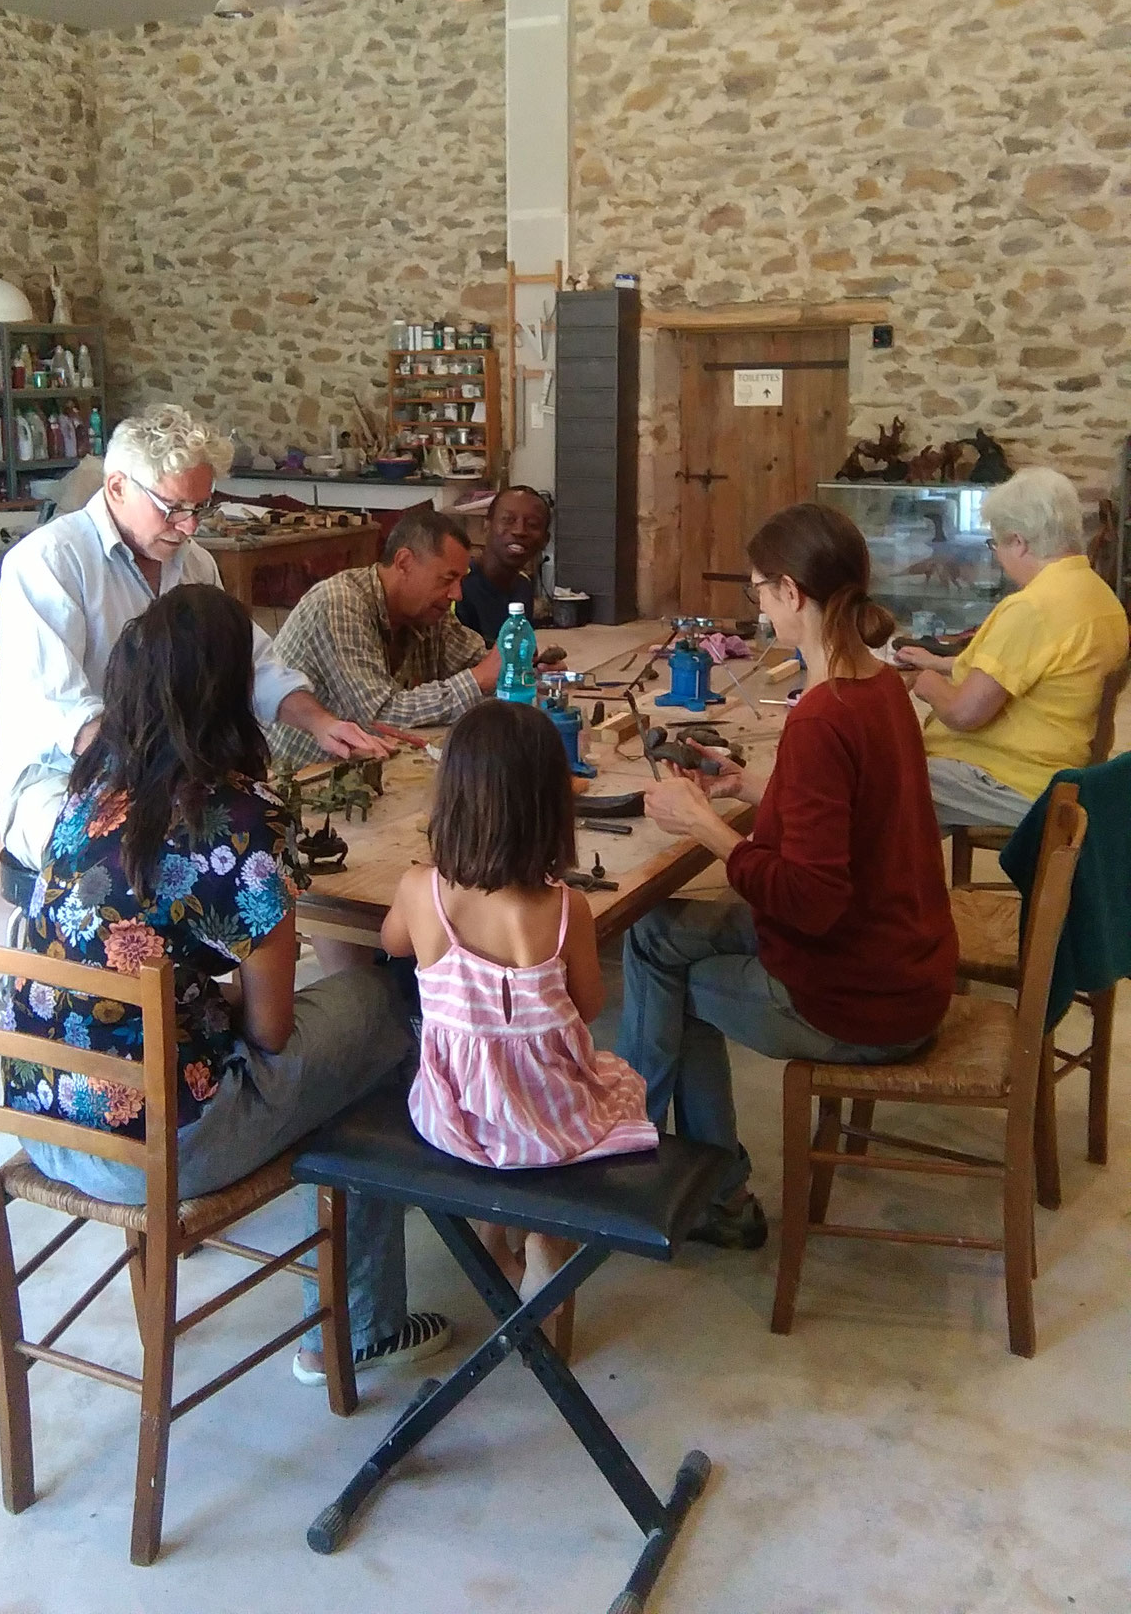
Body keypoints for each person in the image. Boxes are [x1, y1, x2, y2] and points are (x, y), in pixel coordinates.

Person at [2, 583, 450, 1384]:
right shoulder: (238, 820)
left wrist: (210, 997)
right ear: (231, 693)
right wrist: (233, 1000)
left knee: (337, 1018)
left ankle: (363, 1294)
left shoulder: (86, 789)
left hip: (43, 1121)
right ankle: (363, 1323)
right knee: (392, 1004)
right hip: (161, 1145)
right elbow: (274, 1032)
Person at [616, 503, 957, 1249]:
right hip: (905, 960)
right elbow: (850, 824)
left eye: (760, 592)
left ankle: (661, 1181)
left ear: (792, 594)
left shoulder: (820, 718)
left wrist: (701, 824)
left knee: (670, 987)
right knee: (653, 933)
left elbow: (809, 900)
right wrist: (751, 791)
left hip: (861, 996)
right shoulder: (880, 689)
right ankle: (676, 1171)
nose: (761, 609)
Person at [0, 404, 392, 872]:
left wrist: (322, 723)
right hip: (61, 783)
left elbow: (251, 661)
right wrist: (165, 779)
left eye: (200, 508)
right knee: (143, 863)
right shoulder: (48, 562)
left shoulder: (194, 562)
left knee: (260, 840)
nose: (189, 526)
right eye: (173, 508)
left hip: (167, 775)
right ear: (117, 486)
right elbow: (64, 711)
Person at [382, 699, 656, 1313]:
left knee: (490, 1079)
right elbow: (588, 1005)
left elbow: (391, 944)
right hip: (553, 1120)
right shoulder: (566, 909)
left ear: (449, 798)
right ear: (551, 812)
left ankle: (498, 1236)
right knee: (614, 1078)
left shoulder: (418, 889)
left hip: (457, 1118)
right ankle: (543, 1238)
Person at [897, 468, 1129, 833]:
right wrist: (941, 663)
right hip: (1067, 773)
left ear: (1020, 542)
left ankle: (886, 886)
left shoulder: (1033, 608)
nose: (999, 556)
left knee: (878, 781)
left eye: (997, 544)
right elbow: (1025, 668)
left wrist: (925, 681)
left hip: (1017, 781)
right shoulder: (1099, 597)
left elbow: (964, 713)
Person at [268, 507, 503, 767]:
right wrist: (477, 681)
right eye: (447, 578)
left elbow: (479, 662)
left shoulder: (428, 611)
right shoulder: (339, 603)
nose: (457, 595)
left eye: (460, 580)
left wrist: (524, 665)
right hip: (298, 779)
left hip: (369, 768)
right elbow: (382, 717)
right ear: (404, 562)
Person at [455, 486, 554, 647]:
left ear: (545, 540)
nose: (519, 531)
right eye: (508, 520)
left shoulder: (523, 587)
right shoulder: (457, 585)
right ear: (486, 527)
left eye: (532, 524)